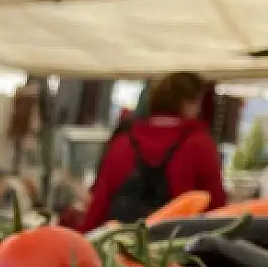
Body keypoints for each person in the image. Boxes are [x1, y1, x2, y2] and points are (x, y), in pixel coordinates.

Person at [82, 72, 226, 226]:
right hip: (177, 245)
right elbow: (216, 208)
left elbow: (99, 204)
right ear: (188, 102)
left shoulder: (123, 142)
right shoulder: (200, 145)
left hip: (120, 242)